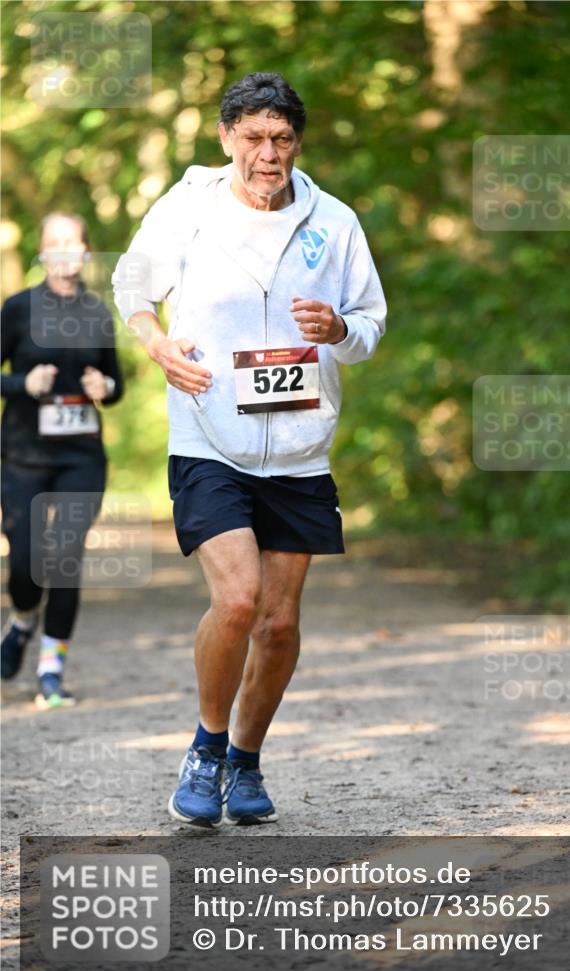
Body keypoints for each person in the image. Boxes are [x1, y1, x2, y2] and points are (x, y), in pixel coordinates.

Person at [112, 71, 386, 827]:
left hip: (299, 447)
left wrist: (340, 329)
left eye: (283, 139)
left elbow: (369, 324)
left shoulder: (334, 222)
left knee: (278, 624)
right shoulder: (188, 208)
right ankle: (205, 749)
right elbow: (132, 284)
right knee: (236, 601)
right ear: (226, 136)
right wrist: (157, 344)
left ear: (298, 142)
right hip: (209, 434)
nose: (269, 154)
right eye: (255, 138)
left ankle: (246, 760)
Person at [1, 213, 124, 707]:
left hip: (81, 456)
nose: (63, 250)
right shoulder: (18, 309)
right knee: (26, 562)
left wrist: (104, 386)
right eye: (54, 241)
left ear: (86, 251)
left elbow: (115, 384)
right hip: (23, 454)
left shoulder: (97, 313)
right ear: (41, 250)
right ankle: (22, 619)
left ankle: (51, 668)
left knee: (66, 556)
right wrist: (21, 383)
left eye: (72, 241)